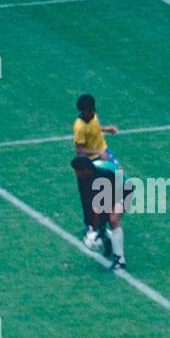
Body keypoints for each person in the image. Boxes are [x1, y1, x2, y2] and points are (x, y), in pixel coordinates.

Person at [73, 94, 126, 270]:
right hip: (114, 182)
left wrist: (94, 228)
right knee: (105, 216)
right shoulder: (79, 127)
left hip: (125, 190)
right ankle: (105, 236)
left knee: (112, 218)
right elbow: (79, 150)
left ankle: (119, 258)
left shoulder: (99, 177)